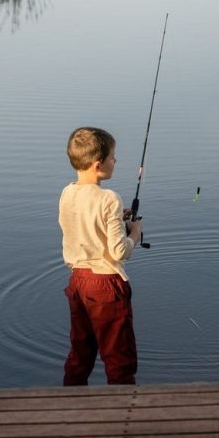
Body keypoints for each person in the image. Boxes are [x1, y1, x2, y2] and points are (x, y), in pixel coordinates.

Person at [59, 126, 142, 386]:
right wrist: (135, 234)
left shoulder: (68, 193)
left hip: (78, 282)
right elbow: (118, 251)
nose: (115, 161)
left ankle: (69, 402)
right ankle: (122, 410)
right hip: (106, 286)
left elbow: (83, 224)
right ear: (98, 165)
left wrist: (117, 219)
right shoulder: (109, 198)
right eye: (112, 157)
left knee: (81, 350)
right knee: (119, 356)